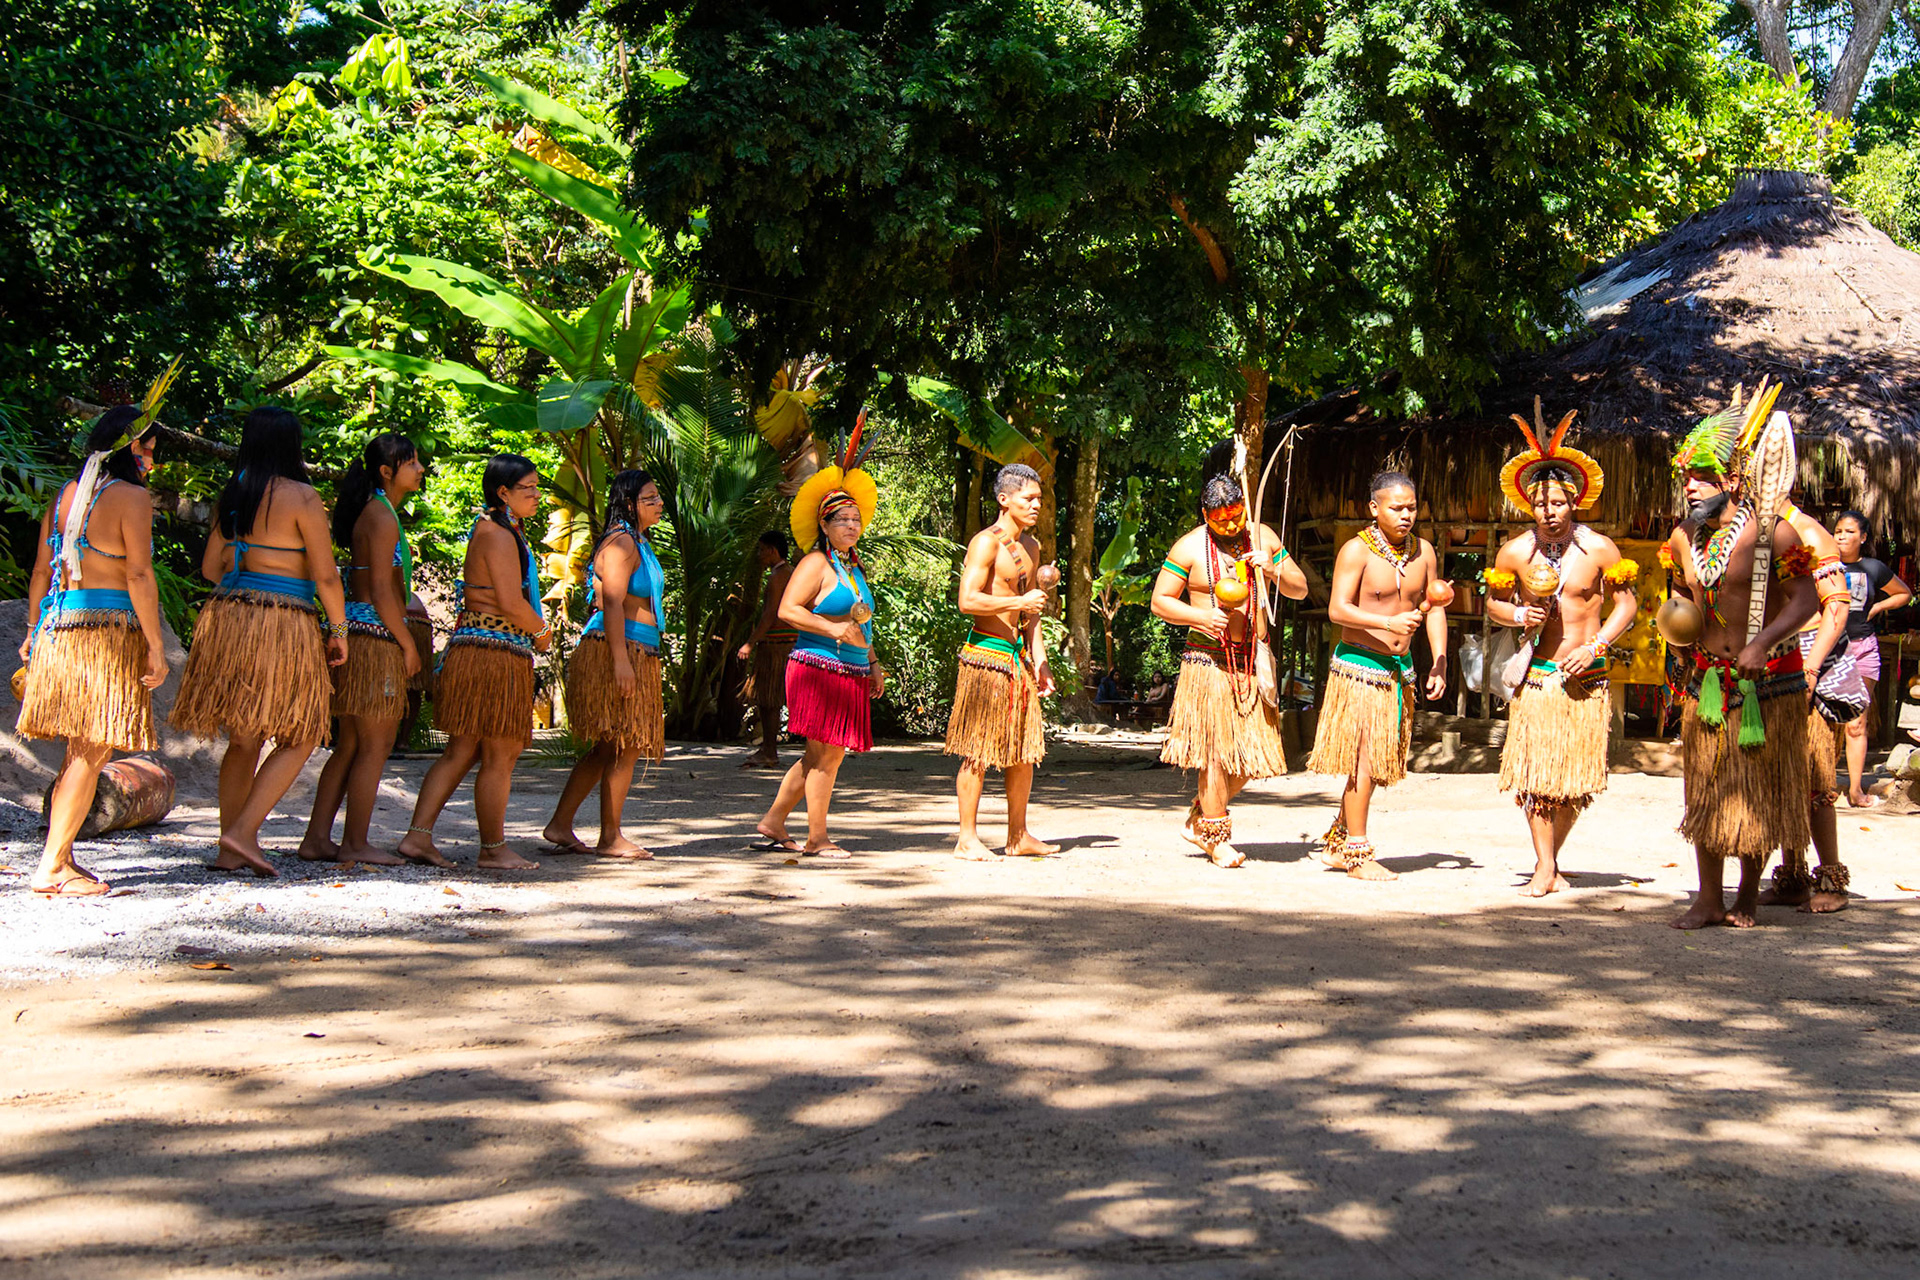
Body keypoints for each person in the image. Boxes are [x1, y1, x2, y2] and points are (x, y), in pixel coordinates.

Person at [1664, 386, 1817, 929]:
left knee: (1757, 787)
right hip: (1708, 679)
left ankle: (1747, 895)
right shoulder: (1683, 536)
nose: (1691, 485)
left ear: (1731, 478)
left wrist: (1761, 642)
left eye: (1702, 474)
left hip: (1768, 680)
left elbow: (1806, 600)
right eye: (1685, 476)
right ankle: (1708, 897)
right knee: (1705, 786)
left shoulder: (1773, 531)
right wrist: (1677, 634)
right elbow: (1686, 601)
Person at [172, 407, 348, 877]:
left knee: (244, 739)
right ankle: (243, 832)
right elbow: (327, 575)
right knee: (304, 733)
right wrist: (339, 629)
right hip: (282, 620)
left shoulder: (235, 494)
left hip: (228, 619)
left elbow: (210, 570)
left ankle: (231, 852)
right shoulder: (303, 496)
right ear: (292, 445)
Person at [1483, 404, 1639, 896]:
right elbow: (1492, 604)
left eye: (1557, 503)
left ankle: (1551, 860)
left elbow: (1627, 606)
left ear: (1575, 502)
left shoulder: (1600, 550)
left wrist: (1596, 646)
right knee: (1533, 778)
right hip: (1536, 676)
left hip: (1584, 678)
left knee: (1574, 781)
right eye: (1539, 505)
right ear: (1529, 506)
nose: (1548, 513)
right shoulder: (1515, 552)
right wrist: (1517, 615)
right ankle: (1544, 865)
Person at [14, 405, 169, 895]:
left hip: (61, 628)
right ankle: (53, 866)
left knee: (80, 751)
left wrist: (34, 630)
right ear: (131, 450)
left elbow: (41, 572)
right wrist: (156, 644)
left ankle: (62, 857)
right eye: (149, 450)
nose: (152, 460)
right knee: (91, 750)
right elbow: (139, 575)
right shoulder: (131, 498)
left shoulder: (66, 495)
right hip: (105, 632)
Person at [395, 455, 552, 870]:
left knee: (462, 751)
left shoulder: (497, 528)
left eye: (538, 487)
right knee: (500, 753)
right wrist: (541, 632)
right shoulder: (497, 534)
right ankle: (493, 848)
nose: (537, 495)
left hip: (482, 649)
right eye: (528, 489)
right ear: (503, 493)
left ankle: (418, 838)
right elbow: (509, 601)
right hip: (493, 653)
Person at [1151, 471, 1309, 867]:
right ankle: (1217, 834)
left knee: (1255, 758)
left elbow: (1300, 588)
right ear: (1205, 513)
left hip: (1252, 660)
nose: (1228, 524)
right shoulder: (1188, 547)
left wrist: (1272, 568)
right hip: (1207, 662)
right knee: (1215, 755)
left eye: (1235, 515)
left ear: (1243, 508)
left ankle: (1200, 818)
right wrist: (1198, 617)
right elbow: (1160, 602)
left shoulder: (1263, 538)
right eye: (1218, 518)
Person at [1306, 470, 1447, 879]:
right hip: (1361, 665)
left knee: (1375, 763)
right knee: (1363, 760)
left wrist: (1438, 660)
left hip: (1400, 669)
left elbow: (1435, 605)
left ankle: (1337, 841)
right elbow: (1338, 610)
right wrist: (1386, 625)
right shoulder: (1356, 551)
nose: (1406, 515)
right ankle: (1357, 854)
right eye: (1396, 507)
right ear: (1374, 508)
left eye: (1412, 508)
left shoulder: (1425, 553)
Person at [752, 427, 884, 858]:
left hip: (850, 668)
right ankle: (817, 838)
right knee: (826, 754)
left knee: (823, 755)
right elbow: (788, 610)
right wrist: (830, 631)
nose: (851, 525)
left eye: (856, 519)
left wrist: (873, 662)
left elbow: (859, 619)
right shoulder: (814, 563)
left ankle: (774, 820)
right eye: (842, 520)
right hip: (817, 665)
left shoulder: (854, 569)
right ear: (823, 525)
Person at [298, 433, 426, 867]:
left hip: (358, 628)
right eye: (412, 463)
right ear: (387, 471)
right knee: (375, 743)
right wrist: (408, 643)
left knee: (351, 742)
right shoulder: (382, 515)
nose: (421, 470)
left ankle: (318, 838)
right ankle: (355, 842)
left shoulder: (375, 510)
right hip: (376, 633)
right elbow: (382, 593)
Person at [543, 470, 668, 859]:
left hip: (636, 649)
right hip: (619, 648)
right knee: (624, 746)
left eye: (657, 497)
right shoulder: (621, 542)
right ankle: (610, 837)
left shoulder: (637, 542)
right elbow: (611, 602)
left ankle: (560, 825)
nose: (659, 503)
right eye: (650, 498)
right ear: (630, 503)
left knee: (608, 748)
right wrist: (620, 661)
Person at [947, 462, 1058, 859]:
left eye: (1039, 499)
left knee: (1023, 751)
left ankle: (1018, 835)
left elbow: (1032, 614)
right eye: (1028, 498)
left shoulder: (1031, 548)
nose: (1036, 505)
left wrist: (1041, 661)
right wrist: (1018, 600)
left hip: (1018, 661)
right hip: (985, 657)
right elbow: (967, 600)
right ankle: (966, 838)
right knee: (977, 748)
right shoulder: (985, 543)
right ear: (1004, 499)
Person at [1759, 496, 1859, 913]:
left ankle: (1832, 879)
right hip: (1773, 660)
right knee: (1782, 775)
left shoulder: (1809, 532)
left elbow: (1835, 608)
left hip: (1811, 662)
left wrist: (1811, 669)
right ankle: (1794, 875)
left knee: (1815, 778)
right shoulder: (1754, 527)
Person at [1832, 511, 1910, 807]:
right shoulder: (1825, 567)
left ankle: (1855, 790)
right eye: (1838, 530)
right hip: (1830, 649)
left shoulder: (1873, 568)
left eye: (1849, 531)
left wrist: (1877, 608)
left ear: (1862, 538)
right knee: (1826, 722)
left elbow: (1904, 593)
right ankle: (1820, 785)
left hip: (1863, 648)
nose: (1841, 535)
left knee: (1856, 724)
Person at [735, 530, 796, 768]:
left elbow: (770, 614)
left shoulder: (777, 576)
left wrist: (750, 642)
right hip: (791, 643)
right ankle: (769, 749)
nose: (759, 555)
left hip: (775, 646)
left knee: (769, 700)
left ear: (772, 550)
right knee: (775, 699)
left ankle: (769, 750)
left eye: (762, 549)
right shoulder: (792, 573)